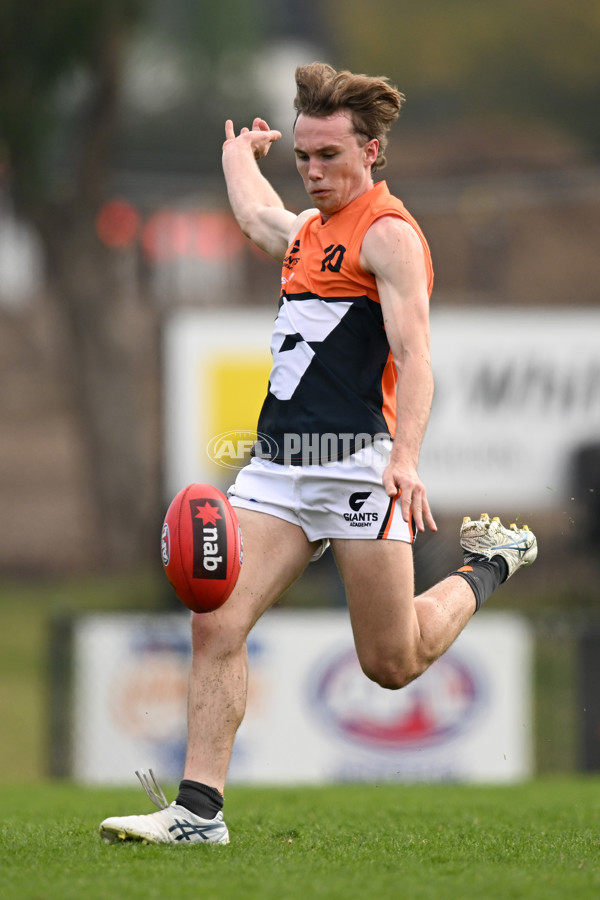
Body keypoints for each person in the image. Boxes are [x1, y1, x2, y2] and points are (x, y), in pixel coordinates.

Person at [100, 62, 537, 845]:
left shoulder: (390, 236)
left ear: (371, 152)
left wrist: (405, 459)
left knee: (391, 662)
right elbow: (261, 219)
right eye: (303, 156)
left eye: (327, 156)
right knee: (216, 620)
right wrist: (241, 159)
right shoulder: (307, 231)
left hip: (358, 466)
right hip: (278, 468)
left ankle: (490, 563)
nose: (311, 171)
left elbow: (418, 353)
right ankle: (198, 814)